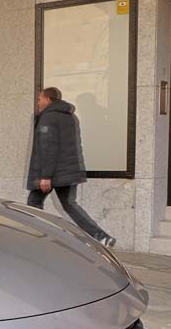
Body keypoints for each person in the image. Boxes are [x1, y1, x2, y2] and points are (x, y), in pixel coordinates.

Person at [25, 87, 114, 247]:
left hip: (52, 173)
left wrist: (46, 176)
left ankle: (37, 237)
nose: (38, 102)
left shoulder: (49, 118)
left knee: (34, 202)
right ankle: (101, 237)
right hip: (68, 171)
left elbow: (49, 147)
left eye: (40, 99)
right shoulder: (71, 117)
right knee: (69, 204)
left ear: (49, 99)